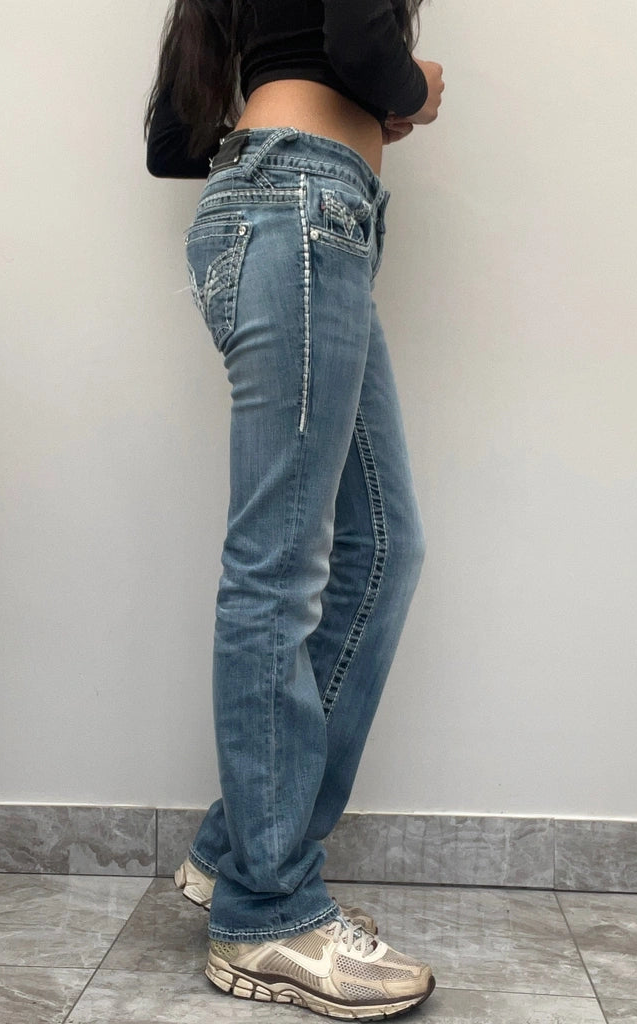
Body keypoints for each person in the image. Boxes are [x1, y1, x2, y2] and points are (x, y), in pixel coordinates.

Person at [145, 1, 444, 1017]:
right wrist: (410, 90)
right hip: (302, 212)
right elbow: (360, 42)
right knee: (276, 568)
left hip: (294, 210)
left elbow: (174, 138)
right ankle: (266, 913)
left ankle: (235, 848)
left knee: (384, 546)